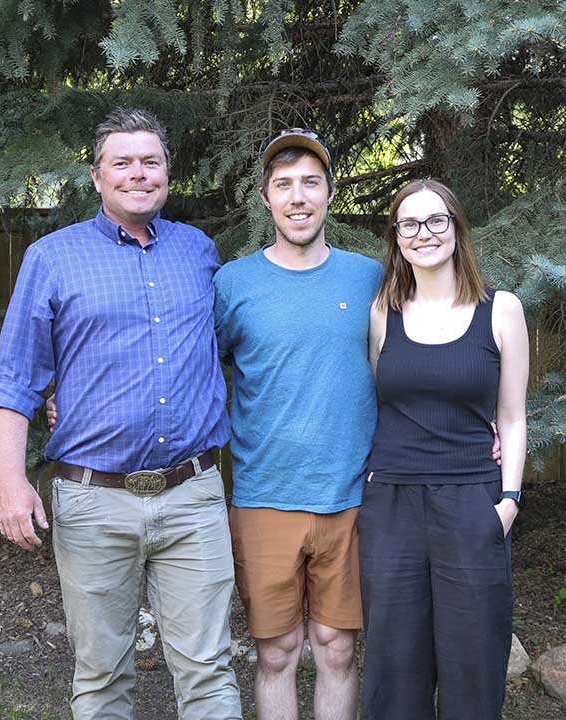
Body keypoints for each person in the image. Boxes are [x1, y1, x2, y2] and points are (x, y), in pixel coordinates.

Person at [0, 108, 241, 720]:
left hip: (192, 496)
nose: (138, 174)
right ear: (96, 176)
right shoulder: (53, 258)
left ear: (167, 174)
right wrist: (10, 482)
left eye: (150, 162)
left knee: (208, 669)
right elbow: (16, 382)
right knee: (101, 675)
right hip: (94, 500)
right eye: (121, 163)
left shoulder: (198, 252)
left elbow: (228, 348)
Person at [213, 129, 381, 720]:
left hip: (351, 495)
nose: (298, 197)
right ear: (266, 198)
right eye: (283, 185)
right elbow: (188, 370)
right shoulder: (233, 284)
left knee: (338, 650)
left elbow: (420, 360)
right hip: (264, 495)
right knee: (278, 652)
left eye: (311, 182)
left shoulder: (371, 278)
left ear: (330, 192)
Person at [359, 178, 528, 720]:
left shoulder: (501, 311)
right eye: (408, 223)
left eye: (436, 221)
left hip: (472, 503)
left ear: (457, 228)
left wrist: (509, 502)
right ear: (396, 236)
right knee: (394, 666)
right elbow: (377, 402)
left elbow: (513, 416)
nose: (423, 233)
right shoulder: (384, 312)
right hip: (392, 506)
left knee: (473, 664)